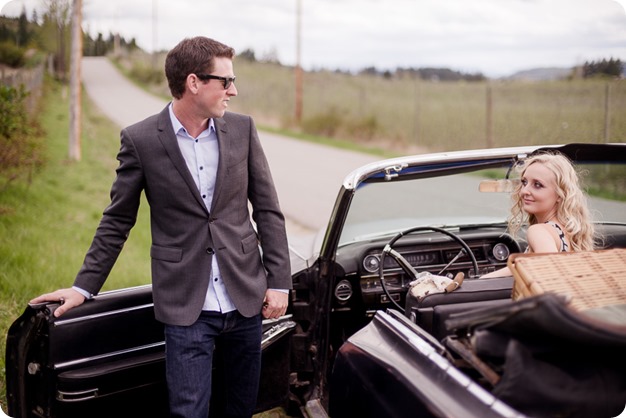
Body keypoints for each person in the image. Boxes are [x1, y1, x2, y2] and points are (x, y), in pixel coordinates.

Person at [30, 36, 292, 418]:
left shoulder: (242, 130)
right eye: (225, 81)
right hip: (186, 307)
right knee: (188, 412)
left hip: (246, 299)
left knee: (240, 408)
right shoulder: (140, 140)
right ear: (193, 83)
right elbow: (118, 219)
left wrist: (278, 281)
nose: (233, 91)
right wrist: (83, 287)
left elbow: (268, 209)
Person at [482, 151, 595, 278]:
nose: (524, 190)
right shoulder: (569, 231)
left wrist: (480, 281)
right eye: (524, 182)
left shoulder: (539, 231)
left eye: (537, 185)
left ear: (560, 194)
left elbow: (546, 269)